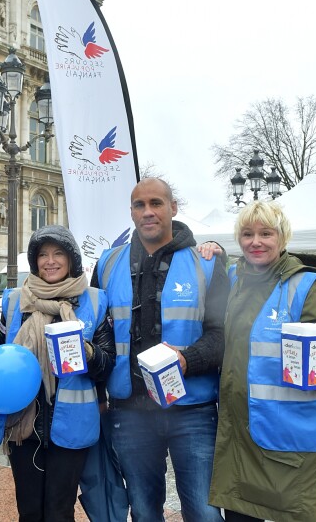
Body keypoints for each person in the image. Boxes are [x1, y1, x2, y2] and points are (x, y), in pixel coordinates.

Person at [92, 177, 229, 522]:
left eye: (156, 203)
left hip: (193, 411)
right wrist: (99, 396)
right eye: (140, 205)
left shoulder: (207, 263)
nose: (148, 212)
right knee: (142, 510)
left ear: (173, 208)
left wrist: (186, 360)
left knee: (204, 511)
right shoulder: (107, 264)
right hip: (130, 412)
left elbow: (223, 335)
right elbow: (98, 334)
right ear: (132, 212)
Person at [208, 201, 316, 522]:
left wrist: (314, 364)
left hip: (291, 450)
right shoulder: (236, 281)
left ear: (282, 238)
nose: (255, 241)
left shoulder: (307, 288)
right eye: (247, 234)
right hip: (242, 444)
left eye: (265, 233)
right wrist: (212, 249)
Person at [0, 224, 116, 521]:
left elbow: (109, 364)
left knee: (59, 511)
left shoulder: (94, 300)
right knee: (29, 511)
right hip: (23, 423)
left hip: (71, 424)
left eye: (58, 253)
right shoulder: (15, 300)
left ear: (72, 259)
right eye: (42, 255)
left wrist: (88, 352)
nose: (50, 261)